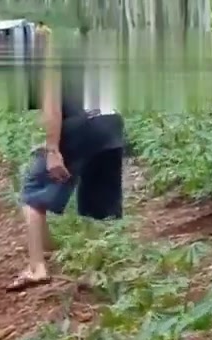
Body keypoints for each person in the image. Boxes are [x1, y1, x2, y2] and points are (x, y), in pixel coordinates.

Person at [9, 28, 125, 292]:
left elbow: (53, 108)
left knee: (32, 193)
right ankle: (97, 273)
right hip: (111, 124)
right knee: (99, 205)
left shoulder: (53, 54)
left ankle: (37, 267)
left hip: (79, 126)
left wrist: (52, 149)